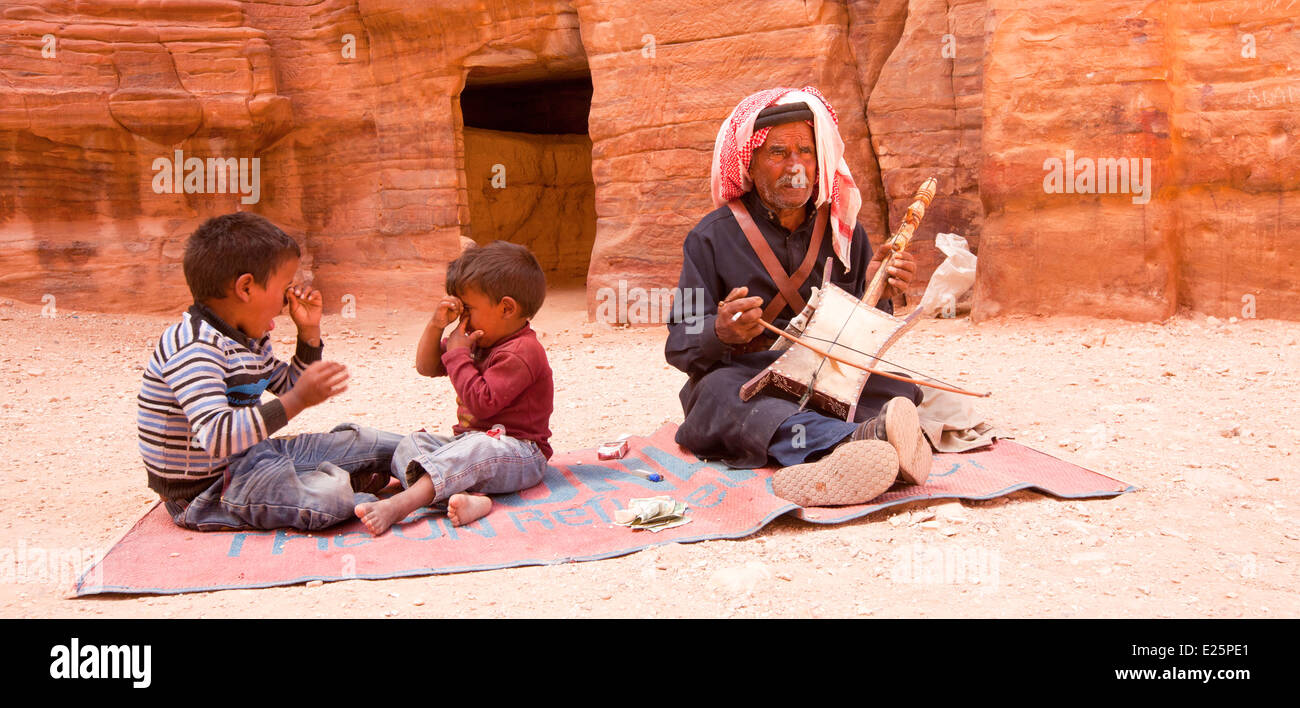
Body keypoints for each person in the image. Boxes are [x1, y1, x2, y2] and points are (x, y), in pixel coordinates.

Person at [665, 86, 932, 507]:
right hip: (750, 381)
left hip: (826, 378)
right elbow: (679, 345)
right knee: (715, 394)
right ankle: (859, 441)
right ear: (749, 163)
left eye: (805, 151)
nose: (796, 167)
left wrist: (880, 290)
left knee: (897, 384)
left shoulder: (844, 232)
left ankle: (848, 447)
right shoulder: (710, 238)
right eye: (778, 152)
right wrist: (720, 331)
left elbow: (859, 339)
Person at [138, 212, 401, 531]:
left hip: (256, 455)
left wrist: (308, 334)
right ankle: (355, 485)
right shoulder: (193, 346)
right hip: (209, 490)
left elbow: (288, 384)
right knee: (327, 499)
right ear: (246, 288)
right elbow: (219, 437)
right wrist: (298, 400)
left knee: (366, 441)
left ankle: (438, 457)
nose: (285, 302)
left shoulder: (249, 340)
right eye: (284, 287)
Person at [355, 241, 554, 535]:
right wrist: (437, 326)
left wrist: (459, 354)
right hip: (466, 448)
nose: (464, 320)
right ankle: (472, 500)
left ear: (506, 308)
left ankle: (401, 504)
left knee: (480, 446)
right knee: (411, 444)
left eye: (468, 309)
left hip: (518, 453)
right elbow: (426, 366)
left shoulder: (522, 351)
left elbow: (482, 405)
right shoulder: (479, 339)